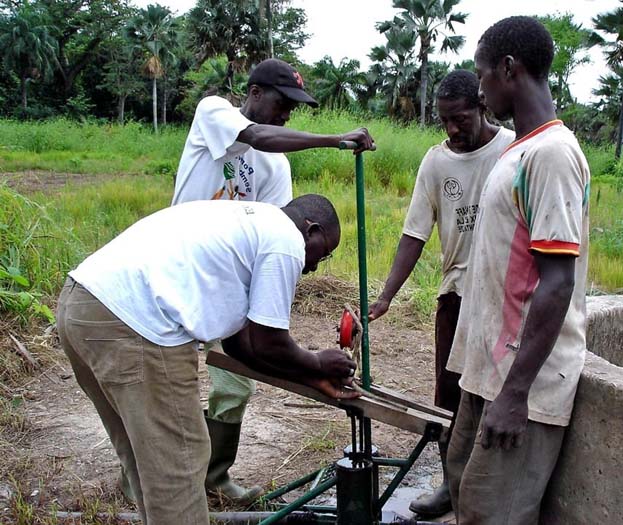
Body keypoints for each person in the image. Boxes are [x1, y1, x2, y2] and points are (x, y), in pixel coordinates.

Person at [56, 194, 360, 525]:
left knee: (149, 460)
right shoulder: (285, 240)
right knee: (180, 462)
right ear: (311, 229)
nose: (314, 267)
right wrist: (317, 362)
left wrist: (311, 377)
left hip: (82, 306)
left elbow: (243, 347)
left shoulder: (246, 224)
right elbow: (269, 341)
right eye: (324, 254)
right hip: (133, 323)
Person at [166, 58, 373, 504]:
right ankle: (148, 476)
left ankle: (214, 477)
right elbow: (257, 135)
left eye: (293, 109)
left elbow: (279, 238)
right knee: (169, 386)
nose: (287, 115)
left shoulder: (277, 167)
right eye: (283, 103)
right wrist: (335, 140)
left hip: (229, 283)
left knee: (237, 381)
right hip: (180, 270)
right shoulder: (215, 114)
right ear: (255, 93)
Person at [444, 17, 590, 524]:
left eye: (483, 76)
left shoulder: (551, 154)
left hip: (520, 385)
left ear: (509, 69)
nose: (480, 91)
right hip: (490, 374)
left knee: (493, 514)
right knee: (468, 496)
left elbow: (557, 281)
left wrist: (515, 395)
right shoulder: (520, 149)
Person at [367, 69, 514, 519]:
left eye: (460, 118)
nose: (452, 129)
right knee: (449, 396)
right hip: (456, 297)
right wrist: (387, 295)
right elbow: (415, 233)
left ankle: (491, 491)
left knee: (498, 394)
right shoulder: (436, 163)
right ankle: (452, 487)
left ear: (481, 107)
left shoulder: (511, 149)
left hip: (504, 296)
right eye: (444, 120)